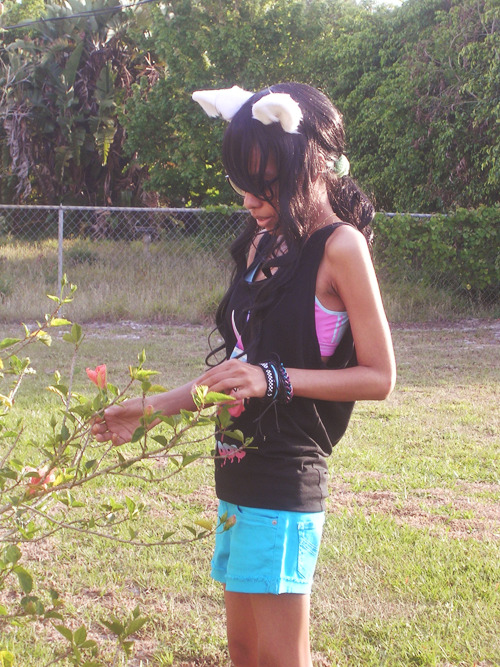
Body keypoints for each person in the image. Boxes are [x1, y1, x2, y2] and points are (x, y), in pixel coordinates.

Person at [92, 82, 396, 667]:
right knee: (244, 653)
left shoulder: (341, 247)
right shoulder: (262, 243)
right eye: (244, 188)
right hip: (236, 470)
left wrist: (275, 379)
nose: (251, 201)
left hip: (286, 477)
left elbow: (380, 377)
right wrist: (144, 411)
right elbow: (238, 372)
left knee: (281, 659)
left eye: (264, 187)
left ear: (306, 162)